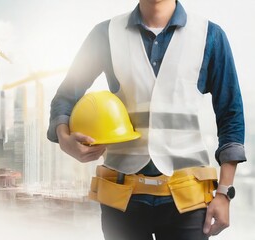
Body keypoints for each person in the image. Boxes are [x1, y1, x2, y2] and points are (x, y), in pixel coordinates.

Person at [47, 0, 246, 239]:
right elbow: (65, 96)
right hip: (122, 198)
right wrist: (64, 137)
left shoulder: (209, 35)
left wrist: (224, 192)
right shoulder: (105, 34)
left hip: (188, 199)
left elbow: (231, 114)